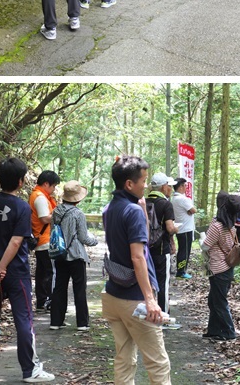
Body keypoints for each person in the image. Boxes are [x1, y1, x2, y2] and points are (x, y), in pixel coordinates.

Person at [102, 155, 172, 384]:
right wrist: (150, 299)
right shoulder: (131, 211)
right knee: (158, 363)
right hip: (135, 299)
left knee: (124, 359)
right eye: (143, 180)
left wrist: (142, 209)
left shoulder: (110, 208)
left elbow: (143, 242)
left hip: (113, 295)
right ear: (129, 184)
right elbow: (138, 256)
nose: (146, 184)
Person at [0, 157, 55, 383]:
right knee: (24, 319)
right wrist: (3, 266)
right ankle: (30, 370)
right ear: (20, 181)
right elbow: (17, 242)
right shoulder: (21, 207)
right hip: (15, 272)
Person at [49, 180, 98, 331]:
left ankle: (56, 321)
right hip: (76, 255)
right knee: (79, 289)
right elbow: (83, 237)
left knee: (59, 288)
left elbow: (53, 231)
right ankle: (82, 323)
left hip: (60, 254)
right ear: (77, 198)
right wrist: (94, 240)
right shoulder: (78, 214)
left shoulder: (56, 211)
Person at [201, 191, 240, 341]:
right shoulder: (230, 225)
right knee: (214, 300)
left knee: (219, 302)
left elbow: (205, 246)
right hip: (226, 268)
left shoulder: (217, 226)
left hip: (218, 269)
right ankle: (214, 329)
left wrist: (201, 239)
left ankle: (229, 331)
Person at [146, 172, 178, 315]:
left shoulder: (143, 201)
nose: (170, 189)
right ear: (163, 187)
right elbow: (170, 228)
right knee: (162, 283)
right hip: (161, 249)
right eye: (169, 186)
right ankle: (163, 314)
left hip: (144, 250)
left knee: (147, 282)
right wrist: (177, 228)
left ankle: (149, 312)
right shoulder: (165, 204)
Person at [29, 170, 60, 312]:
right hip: (46, 240)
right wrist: (58, 214)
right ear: (46, 184)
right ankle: (48, 301)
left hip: (41, 240)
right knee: (50, 273)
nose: (54, 190)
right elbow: (44, 218)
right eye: (53, 186)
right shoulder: (40, 197)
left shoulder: (37, 195)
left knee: (42, 273)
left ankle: (41, 302)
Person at [171, 177, 197, 279]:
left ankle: (181, 270)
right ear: (181, 186)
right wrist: (190, 211)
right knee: (184, 251)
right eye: (185, 186)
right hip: (185, 229)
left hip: (180, 228)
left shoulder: (174, 198)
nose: (186, 188)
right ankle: (181, 272)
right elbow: (193, 210)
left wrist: (189, 211)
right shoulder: (182, 199)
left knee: (182, 250)